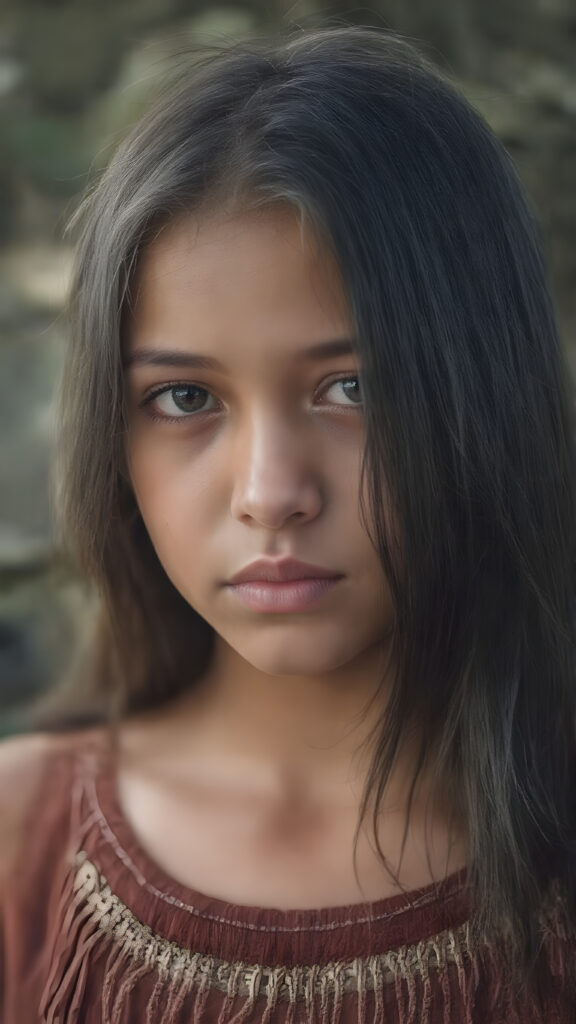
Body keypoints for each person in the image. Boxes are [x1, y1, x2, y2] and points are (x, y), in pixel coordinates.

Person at [1, 23, 575, 1023]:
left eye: (353, 387)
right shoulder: (19, 841)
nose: (271, 491)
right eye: (185, 399)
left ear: (486, 391)